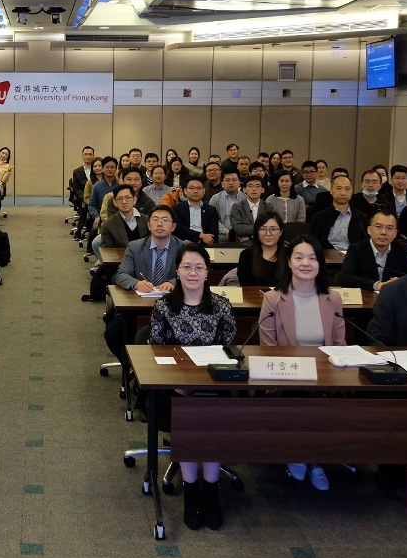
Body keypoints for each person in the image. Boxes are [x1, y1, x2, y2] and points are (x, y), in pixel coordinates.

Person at [148, 243, 235, 531]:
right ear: (177, 270)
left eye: (199, 267)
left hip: (213, 384)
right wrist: (177, 383)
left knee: (213, 419)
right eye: (187, 267)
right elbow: (155, 351)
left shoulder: (222, 305)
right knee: (184, 414)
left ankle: (211, 489)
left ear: (208, 272)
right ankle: (191, 489)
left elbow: (230, 350)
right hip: (174, 387)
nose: (193, 272)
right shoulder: (164, 306)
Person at [257, 233, 346, 490]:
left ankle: (314, 459)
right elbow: (268, 350)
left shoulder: (333, 299)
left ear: (320, 263)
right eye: (299, 257)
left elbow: (339, 346)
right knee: (300, 395)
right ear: (289, 261)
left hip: (325, 379)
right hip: (286, 379)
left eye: (312, 258)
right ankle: (301, 453)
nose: (306, 263)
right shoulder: (273, 299)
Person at [105, 206, 182, 361]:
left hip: (174, 307)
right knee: (113, 333)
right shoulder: (135, 247)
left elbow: (196, 274)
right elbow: (121, 274)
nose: (159, 224)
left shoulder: (184, 248)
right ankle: (131, 367)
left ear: (173, 226)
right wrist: (136, 283)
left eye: (165, 220)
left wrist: (174, 282)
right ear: (148, 225)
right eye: (155, 220)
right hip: (139, 306)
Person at [337, 208, 407, 293]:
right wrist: (377, 285)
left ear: (395, 233)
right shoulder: (356, 249)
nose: (383, 232)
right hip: (364, 296)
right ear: (369, 230)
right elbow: (346, 277)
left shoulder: (403, 251)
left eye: (389, 228)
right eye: (378, 227)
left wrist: (400, 281)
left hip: (392, 297)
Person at [309, 175, 365, 252]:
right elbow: (313, 243)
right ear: (331, 190)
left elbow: (365, 244)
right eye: (338, 188)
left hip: (354, 256)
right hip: (328, 256)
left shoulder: (361, 218)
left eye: (347, 189)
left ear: (352, 191)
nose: (343, 193)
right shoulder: (319, 218)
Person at [237, 211, 285, 288]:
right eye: (263, 229)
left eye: (273, 229)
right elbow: (246, 287)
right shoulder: (247, 255)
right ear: (257, 232)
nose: (268, 233)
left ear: (281, 232)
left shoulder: (290, 255)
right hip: (254, 295)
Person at [172, 177, 218, 246]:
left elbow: (213, 231)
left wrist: (205, 238)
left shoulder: (211, 209)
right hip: (183, 242)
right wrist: (200, 235)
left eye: (199, 188)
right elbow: (178, 228)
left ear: (204, 191)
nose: (195, 191)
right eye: (191, 188)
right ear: (185, 191)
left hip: (204, 243)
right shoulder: (177, 208)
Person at [99, 184, 146, 251]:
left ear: (134, 199)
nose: (124, 202)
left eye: (127, 198)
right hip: (120, 257)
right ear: (115, 202)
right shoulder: (108, 225)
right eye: (119, 199)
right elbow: (107, 252)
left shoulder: (147, 221)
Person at [209, 170, 244, 244]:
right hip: (222, 232)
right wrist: (225, 231)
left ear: (239, 183)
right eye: (227, 180)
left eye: (234, 180)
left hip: (241, 232)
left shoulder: (245, 198)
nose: (231, 183)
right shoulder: (215, 198)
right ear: (222, 184)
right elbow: (212, 219)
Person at [229, 177, 266, 243]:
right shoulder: (237, 207)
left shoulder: (268, 206)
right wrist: (261, 228)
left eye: (257, 186)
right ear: (244, 190)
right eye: (250, 186)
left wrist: (250, 237)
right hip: (244, 243)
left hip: (265, 241)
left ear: (263, 190)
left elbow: (271, 228)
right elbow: (238, 229)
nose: (254, 189)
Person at [69, 146, 96, 212]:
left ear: (93, 156)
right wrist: (85, 196)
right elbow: (76, 188)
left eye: (90, 154)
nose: (88, 157)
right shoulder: (77, 171)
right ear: (82, 156)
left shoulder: (97, 170)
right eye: (85, 154)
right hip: (83, 197)